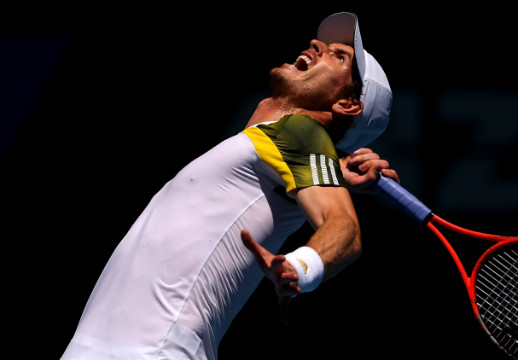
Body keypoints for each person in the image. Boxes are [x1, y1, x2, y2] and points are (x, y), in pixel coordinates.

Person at [61, 12, 396, 360]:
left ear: (347, 104)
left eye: (338, 57)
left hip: (148, 350)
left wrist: (300, 266)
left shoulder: (300, 132)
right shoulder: (276, 147)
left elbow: (345, 228)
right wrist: (336, 170)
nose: (316, 45)